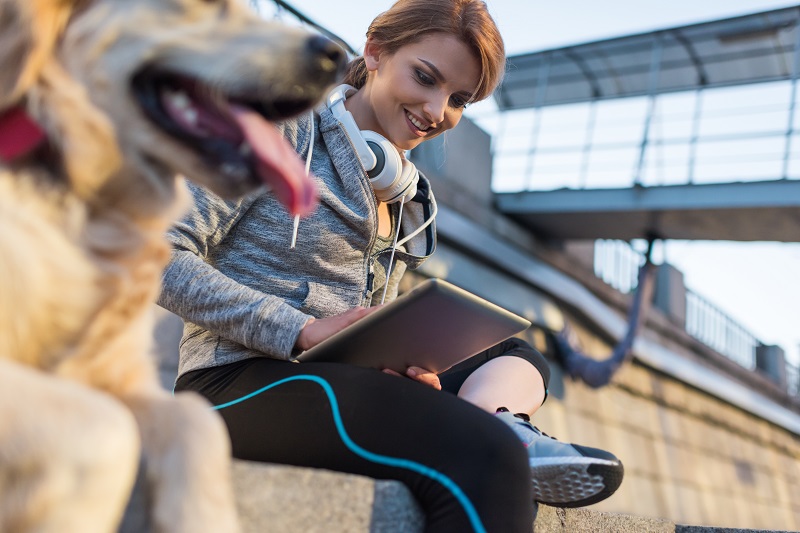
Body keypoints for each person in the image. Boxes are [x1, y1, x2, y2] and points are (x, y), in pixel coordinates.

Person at [159, 1, 623, 531]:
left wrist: (407, 366)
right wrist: (300, 329)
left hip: (339, 377)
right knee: (486, 459)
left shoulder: (406, 197)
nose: (437, 110)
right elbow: (155, 256)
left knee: (515, 355)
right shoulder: (274, 128)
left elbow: (365, 326)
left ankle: (501, 422)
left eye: (459, 100)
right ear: (375, 51)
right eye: (425, 77)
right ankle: (498, 439)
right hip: (234, 385)